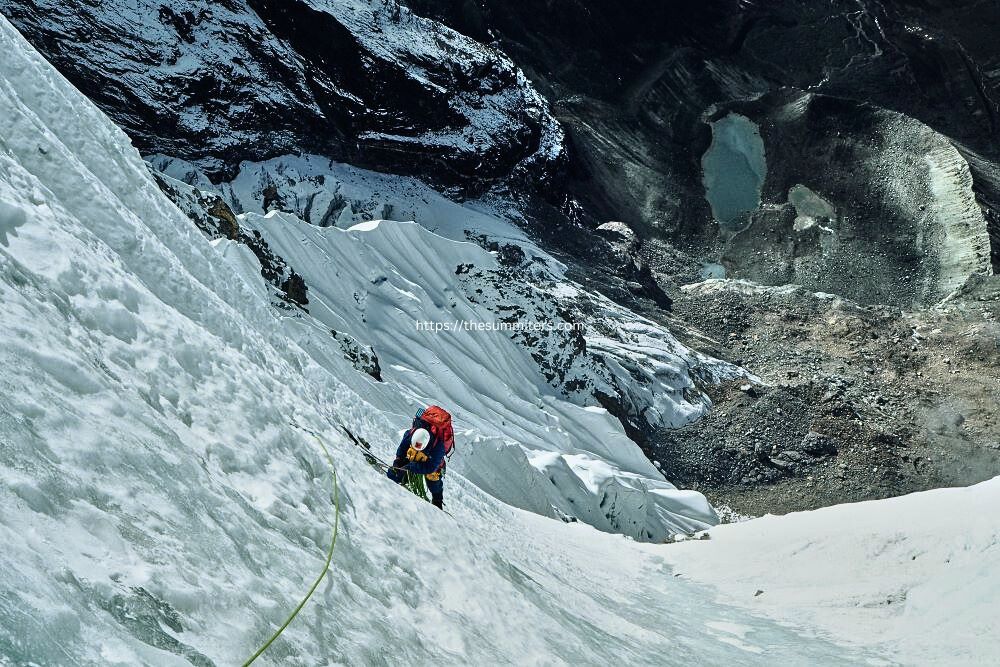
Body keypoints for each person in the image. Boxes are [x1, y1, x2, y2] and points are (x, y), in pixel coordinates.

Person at [387, 423, 447, 509]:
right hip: (415, 456)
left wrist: (409, 467)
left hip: (431, 463)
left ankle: (437, 501)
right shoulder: (411, 434)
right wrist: (398, 460)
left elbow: (430, 467)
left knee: (433, 478)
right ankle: (400, 478)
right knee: (400, 468)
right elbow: (403, 448)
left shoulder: (438, 447)